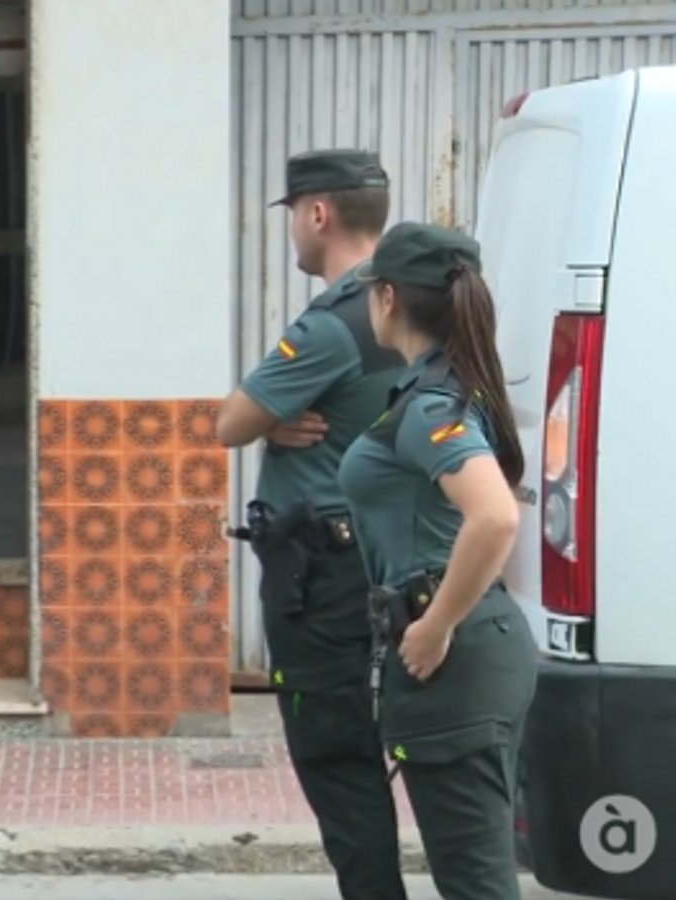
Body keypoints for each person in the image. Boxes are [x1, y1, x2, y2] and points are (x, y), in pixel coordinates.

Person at [215, 149, 408, 900]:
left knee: (337, 757)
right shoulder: (412, 305)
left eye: (295, 214)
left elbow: (230, 423)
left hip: (324, 578)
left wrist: (270, 421)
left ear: (318, 214)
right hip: (396, 559)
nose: (294, 230)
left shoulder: (329, 326)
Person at [340, 222, 537, 900]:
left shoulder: (430, 407)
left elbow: (496, 516)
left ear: (387, 297)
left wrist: (436, 625)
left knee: (475, 883)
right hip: (476, 653)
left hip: (456, 658)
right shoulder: (446, 388)